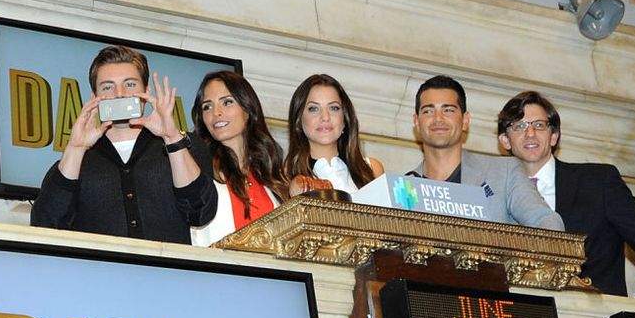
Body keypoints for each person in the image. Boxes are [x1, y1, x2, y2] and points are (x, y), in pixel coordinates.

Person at [497, 90, 635, 302]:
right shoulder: (491, 193)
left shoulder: (597, 182)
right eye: (519, 126)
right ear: (505, 140)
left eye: (539, 125)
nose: (530, 133)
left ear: (554, 135)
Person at [30, 44, 217, 243]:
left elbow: (201, 212)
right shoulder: (78, 159)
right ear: (95, 98)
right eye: (108, 87)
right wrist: (75, 149)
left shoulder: (184, 145)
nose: (119, 94)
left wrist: (171, 139)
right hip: (99, 272)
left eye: (129, 84)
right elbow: (45, 225)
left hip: (168, 272)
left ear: (146, 92)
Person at [410, 75, 563, 230]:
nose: (438, 119)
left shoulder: (504, 172)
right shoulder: (404, 188)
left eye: (448, 110)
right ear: (416, 121)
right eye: (428, 111)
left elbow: (546, 222)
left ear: (465, 120)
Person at [190, 70, 290, 245]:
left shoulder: (273, 175)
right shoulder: (196, 171)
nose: (216, 113)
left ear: (248, 108)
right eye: (207, 106)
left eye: (227, 102)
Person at [284, 73, 384, 196]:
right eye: (313, 109)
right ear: (299, 120)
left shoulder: (372, 170)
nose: (325, 117)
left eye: (334, 108)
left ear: (345, 118)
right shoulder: (284, 177)